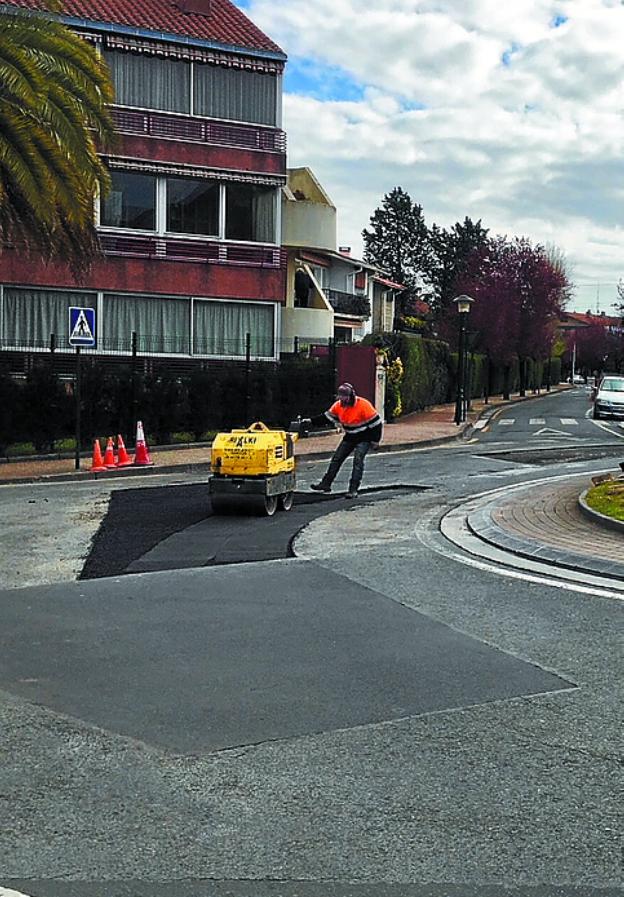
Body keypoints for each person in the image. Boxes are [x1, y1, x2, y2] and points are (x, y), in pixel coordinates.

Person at [301, 382, 382, 498]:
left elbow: (377, 424)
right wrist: (311, 421)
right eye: (341, 398)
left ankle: (353, 489)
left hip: (365, 437)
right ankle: (326, 484)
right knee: (337, 459)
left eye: (345, 398)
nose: (343, 401)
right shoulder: (338, 406)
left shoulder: (364, 405)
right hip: (350, 436)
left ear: (351, 396)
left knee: (358, 461)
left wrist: (375, 441)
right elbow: (326, 418)